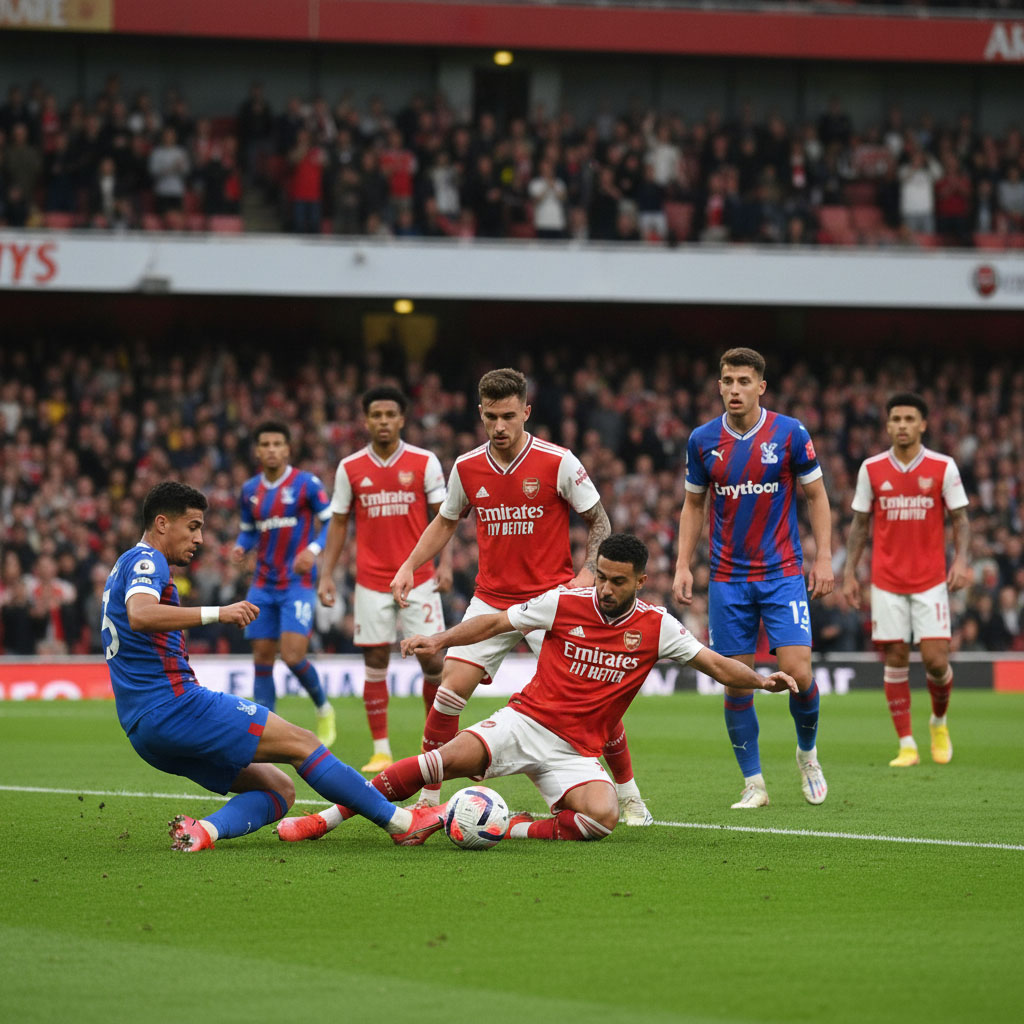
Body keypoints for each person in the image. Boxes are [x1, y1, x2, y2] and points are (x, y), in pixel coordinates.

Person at [275, 534, 798, 844]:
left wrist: (761, 680)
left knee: (602, 820)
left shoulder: (658, 627)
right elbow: (493, 624)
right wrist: (440, 637)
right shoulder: (563, 603)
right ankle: (324, 819)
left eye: (619, 581)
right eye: (602, 577)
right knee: (437, 763)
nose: (606, 589)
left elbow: (716, 665)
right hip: (524, 722)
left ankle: (514, 826)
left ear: (642, 581)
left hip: (576, 751)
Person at [101, 481, 447, 852]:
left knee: (279, 790)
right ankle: (402, 823)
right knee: (304, 743)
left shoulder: (123, 565)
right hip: (174, 706)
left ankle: (202, 832)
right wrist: (219, 612)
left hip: (143, 732)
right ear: (162, 523)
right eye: (193, 526)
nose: (199, 538)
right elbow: (140, 614)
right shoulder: (146, 560)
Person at [386, 368, 650, 825]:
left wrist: (587, 574)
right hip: (491, 599)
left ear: (526, 412)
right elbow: (447, 521)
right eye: (491, 417)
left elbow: (600, 522)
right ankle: (428, 802)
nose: (500, 426)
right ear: (481, 414)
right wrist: (410, 565)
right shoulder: (467, 467)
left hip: (552, 600)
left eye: (509, 416)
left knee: (594, 701)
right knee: (448, 692)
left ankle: (630, 796)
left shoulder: (558, 461)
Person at [673, 347, 833, 809]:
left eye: (744, 381)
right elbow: (694, 505)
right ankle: (755, 784)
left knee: (799, 672)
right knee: (737, 682)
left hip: (782, 573)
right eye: (727, 381)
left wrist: (824, 558)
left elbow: (816, 496)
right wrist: (683, 563)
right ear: (719, 386)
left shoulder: (789, 433)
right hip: (728, 579)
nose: (735, 389)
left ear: (761, 386)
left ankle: (807, 754)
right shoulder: (702, 440)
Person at [318, 386, 451, 773]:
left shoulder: (424, 462)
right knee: (375, 660)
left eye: (390, 414)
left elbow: (444, 517)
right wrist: (327, 573)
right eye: (375, 415)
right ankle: (381, 749)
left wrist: (444, 565)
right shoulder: (350, 467)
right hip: (371, 580)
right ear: (366, 420)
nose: (383, 421)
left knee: (432, 658)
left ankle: (435, 743)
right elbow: (339, 521)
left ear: (402, 419)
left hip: (420, 576)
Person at [841, 392, 970, 767]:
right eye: (895, 419)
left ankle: (939, 722)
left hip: (930, 580)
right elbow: (860, 525)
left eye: (909, 419)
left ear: (923, 424)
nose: (901, 425)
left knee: (934, 660)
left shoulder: (943, 467)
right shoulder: (872, 468)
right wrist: (849, 573)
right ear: (887, 424)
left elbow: (961, 520)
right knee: (895, 657)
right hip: (886, 580)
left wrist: (962, 561)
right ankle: (907, 743)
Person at [231, 421, 336, 745]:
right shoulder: (250, 490)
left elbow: (332, 520)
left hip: (297, 583)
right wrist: (240, 544)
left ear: (288, 448)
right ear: (258, 450)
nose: (272, 449)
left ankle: (323, 708)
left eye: (278, 443)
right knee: (262, 656)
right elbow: (250, 529)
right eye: (266, 444)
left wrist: (314, 550)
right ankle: (266, 727)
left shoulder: (306, 483)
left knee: (292, 656)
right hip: (262, 583)